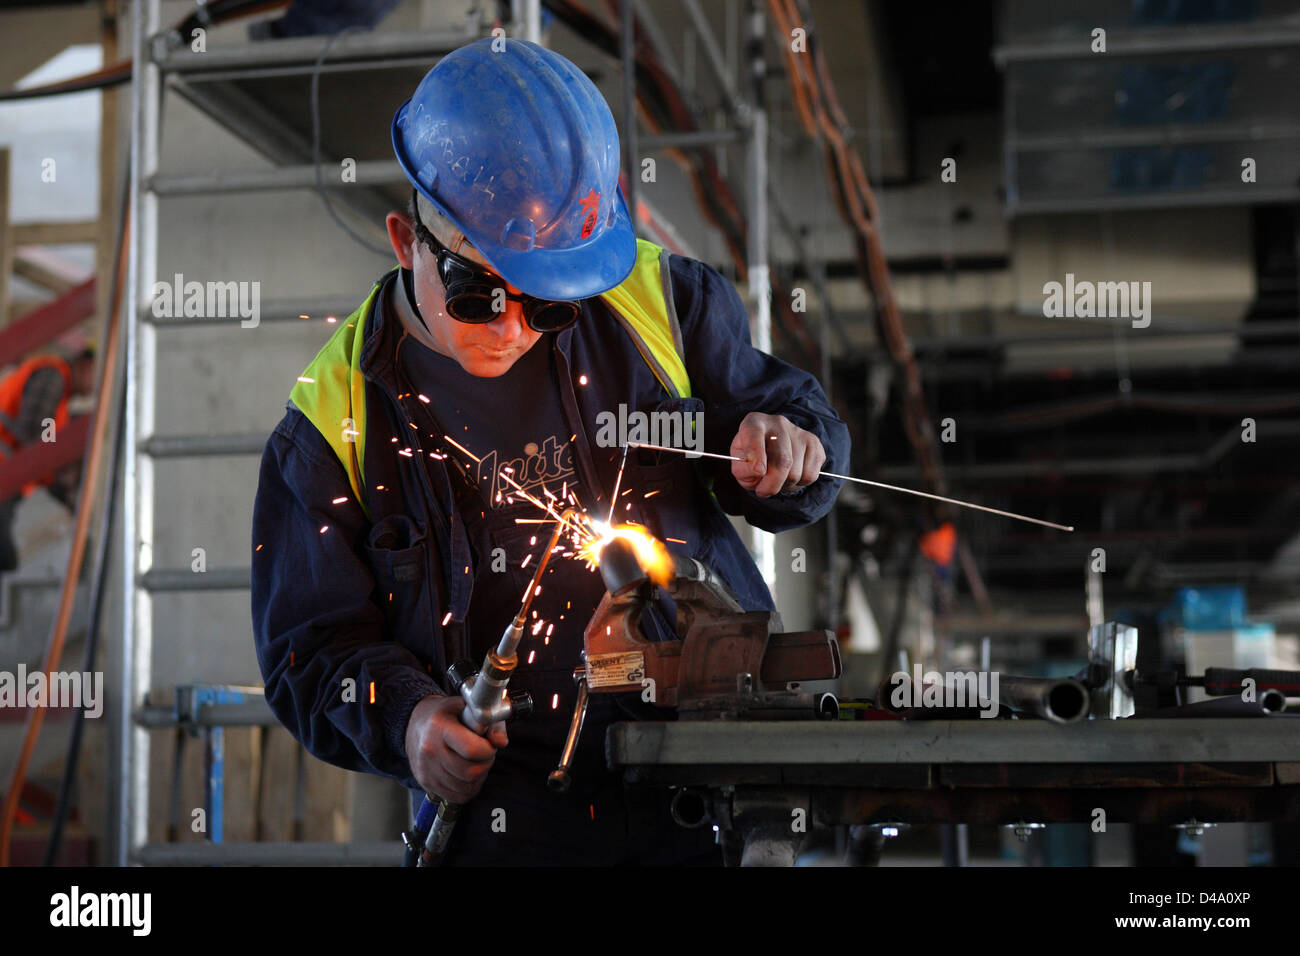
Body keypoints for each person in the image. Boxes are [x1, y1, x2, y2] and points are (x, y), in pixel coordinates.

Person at [251, 38, 849, 865]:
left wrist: (792, 449)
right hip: (510, 825)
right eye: (478, 295)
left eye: (546, 307)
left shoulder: (662, 303)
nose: (510, 329)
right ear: (405, 240)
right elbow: (309, 653)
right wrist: (410, 719)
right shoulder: (332, 421)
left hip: (706, 798)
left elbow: (794, 423)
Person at [0, 347, 95, 573]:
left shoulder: (59, 395)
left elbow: (44, 446)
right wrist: (56, 450)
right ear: (82, 366)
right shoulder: (53, 376)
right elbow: (38, 433)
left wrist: (70, 501)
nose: (95, 383)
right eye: (93, 373)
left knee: (7, 560)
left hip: (9, 482)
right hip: (4, 475)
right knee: (5, 558)